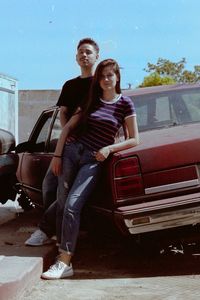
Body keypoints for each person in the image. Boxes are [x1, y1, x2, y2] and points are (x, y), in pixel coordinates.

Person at [39, 58, 139, 279]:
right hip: (72, 152)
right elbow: (68, 129)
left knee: (73, 205)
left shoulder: (125, 104)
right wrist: (58, 155)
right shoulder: (91, 100)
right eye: (102, 76)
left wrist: (110, 148)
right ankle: (60, 254)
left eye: (109, 75)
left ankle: (64, 262)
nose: (105, 79)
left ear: (117, 77)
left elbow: (134, 139)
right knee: (63, 203)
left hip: (93, 160)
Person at [42, 37, 99, 210]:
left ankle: (53, 229)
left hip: (90, 146)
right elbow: (63, 112)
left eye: (88, 52)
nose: (84, 55)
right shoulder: (70, 85)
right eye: (81, 52)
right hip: (69, 143)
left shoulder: (101, 84)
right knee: (48, 184)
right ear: (76, 58)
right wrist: (67, 135)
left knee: (67, 194)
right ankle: (51, 228)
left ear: (97, 56)